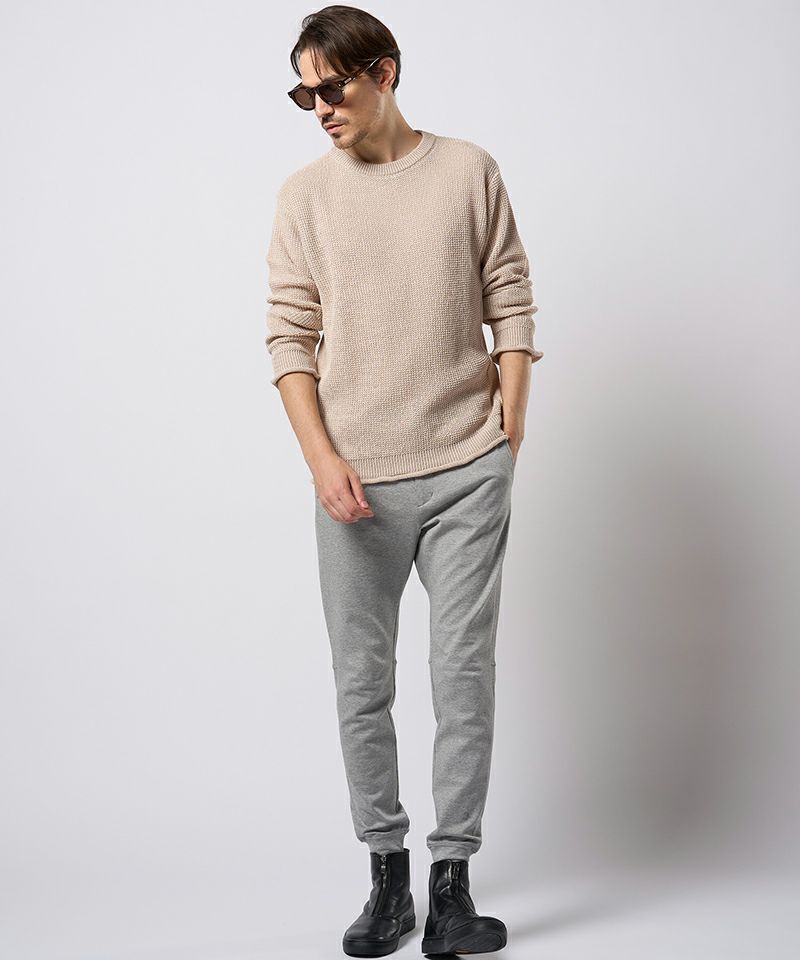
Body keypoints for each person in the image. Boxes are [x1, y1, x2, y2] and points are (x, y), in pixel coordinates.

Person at [265, 7, 543, 956]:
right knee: (361, 684)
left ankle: (451, 886)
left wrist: (509, 425)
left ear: (383, 72)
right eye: (303, 93)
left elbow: (510, 295)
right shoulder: (305, 197)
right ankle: (387, 881)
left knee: (463, 680)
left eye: (332, 87)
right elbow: (288, 337)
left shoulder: (467, 171)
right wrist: (322, 459)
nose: (318, 107)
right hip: (355, 482)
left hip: (468, 466)